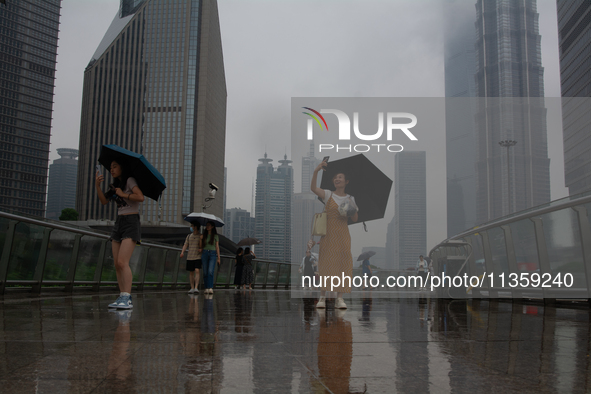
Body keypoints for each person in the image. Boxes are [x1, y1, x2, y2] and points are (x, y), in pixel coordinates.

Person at [96, 159, 144, 309]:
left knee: (123, 262)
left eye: (115, 166)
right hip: (119, 222)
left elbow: (140, 197)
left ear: (122, 168)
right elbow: (104, 201)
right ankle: (121, 294)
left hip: (131, 221)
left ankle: (127, 297)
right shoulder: (116, 185)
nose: (112, 169)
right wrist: (97, 186)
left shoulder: (130, 180)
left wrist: (123, 194)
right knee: (117, 263)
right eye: (111, 167)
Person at [311, 161, 358, 309]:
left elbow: (355, 219)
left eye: (340, 177)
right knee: (326, 263)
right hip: (328, 234)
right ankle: (322, 297)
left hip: (343, 235)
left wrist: (352, 207)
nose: (337, 179)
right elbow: (313, 188)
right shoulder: (327, 194)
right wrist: (316, 171)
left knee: (343, 264)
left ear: (346, 181)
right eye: (335, 178)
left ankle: (340, 298)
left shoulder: (350, 198)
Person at [200, 221, 220, 294]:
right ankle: (206, 287)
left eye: (209, 225)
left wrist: (218, 258)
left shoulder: (215, 236)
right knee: (205, 272)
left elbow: (217, 247)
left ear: (212, 227)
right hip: (205, 253)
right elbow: (200, 246)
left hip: (213, 253)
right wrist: (200, 239)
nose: (207, 227)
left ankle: (210, 287)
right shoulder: (204, 235)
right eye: (206, 225)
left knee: (210, 271)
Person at [181, 223, 202, 294]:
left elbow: (202, 246)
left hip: (197, 256)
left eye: (192, 226)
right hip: (190, 256)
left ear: (196, 227)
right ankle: (192, 287)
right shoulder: (189, 236)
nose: (191, 227)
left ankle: (196, 287)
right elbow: (185, 244)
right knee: (191, 272)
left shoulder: (200, 236)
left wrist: (201, 245)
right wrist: (182, 252)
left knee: (197, 270)